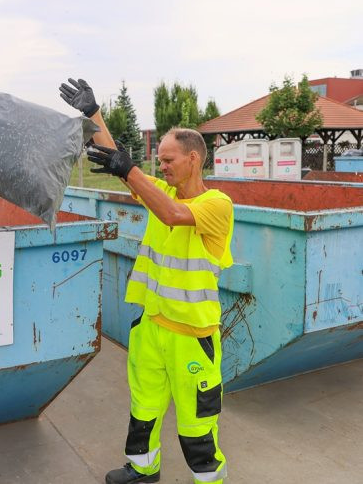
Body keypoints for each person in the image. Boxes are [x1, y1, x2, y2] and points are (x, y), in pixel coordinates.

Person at [59, 78, 233, 484]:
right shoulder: (159, 192)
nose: (162, 166)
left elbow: (172, 213)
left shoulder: (216, 205)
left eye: (169, 159)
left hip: (192, 337)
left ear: (194, 159)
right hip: (151, 328)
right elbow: (121, 166)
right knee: (144, 409)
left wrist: (128, 168)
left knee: (197, 426)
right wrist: (93, 114)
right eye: (159, 160)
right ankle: (143, 469)